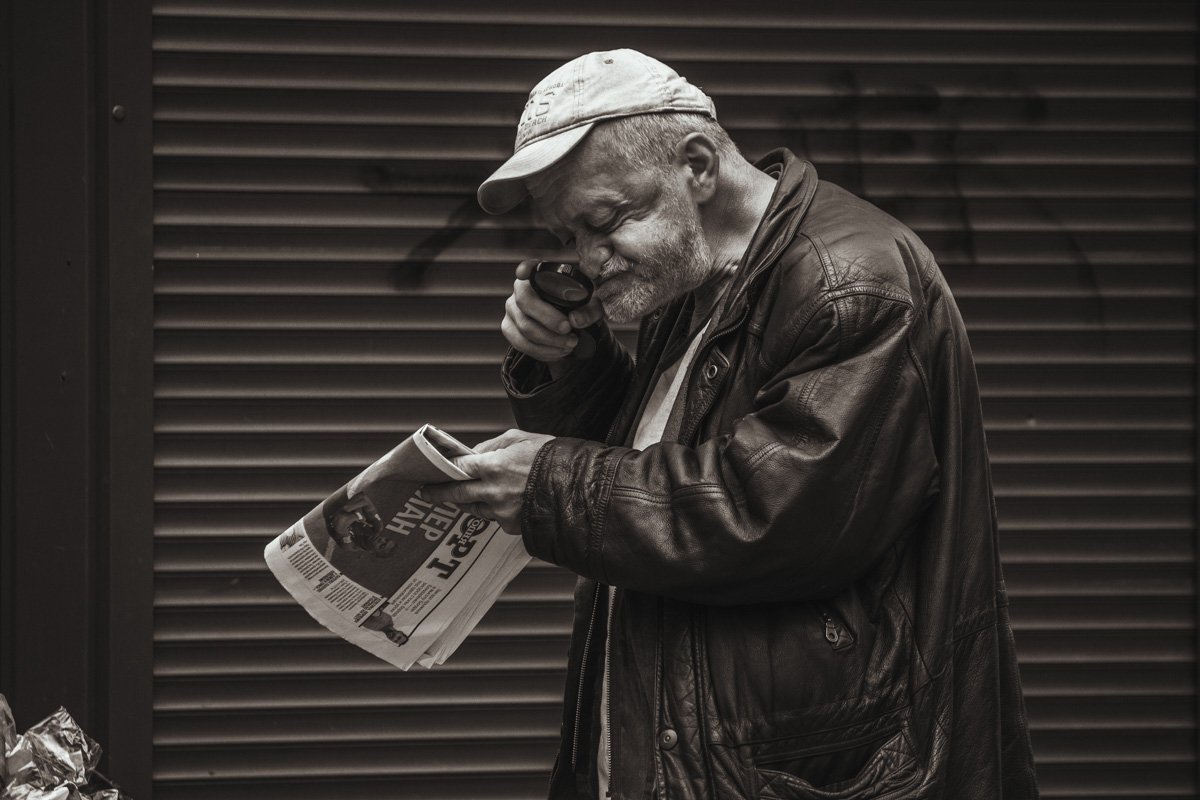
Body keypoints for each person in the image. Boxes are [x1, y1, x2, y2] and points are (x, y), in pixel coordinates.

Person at [422, 49, 1039, 799]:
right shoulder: (696, 268)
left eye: (603, 221)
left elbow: (775, 514)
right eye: (566, 236)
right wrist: (571, 362)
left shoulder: (851, 284)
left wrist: (550, 484)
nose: (586, 258)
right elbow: (651, 469)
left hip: (803, 766)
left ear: (698, 166)